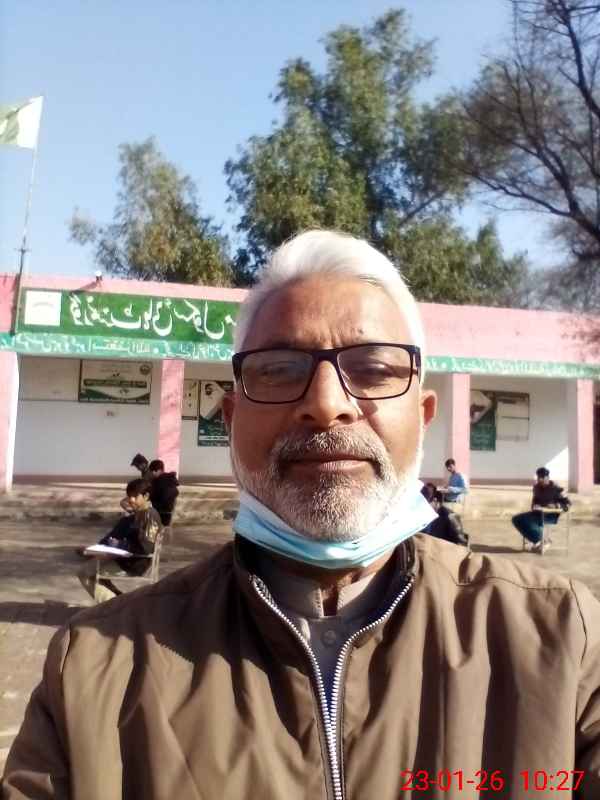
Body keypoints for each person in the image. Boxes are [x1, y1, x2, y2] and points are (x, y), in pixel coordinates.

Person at [4, 230, 600, 799]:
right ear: (232, 421)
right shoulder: (96, 669)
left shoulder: (561, 639)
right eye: (279, 369)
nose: (326, 404)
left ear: (422, 417)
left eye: (373, 369)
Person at [77, 478, 162, 603]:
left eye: (135, 496)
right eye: (129, 496)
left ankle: (113, 605)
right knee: (91, 566)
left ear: (146, 496)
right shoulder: (141, 513)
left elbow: (146, 547)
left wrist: (120, 545)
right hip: (127, 558)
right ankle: (117, 598)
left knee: (84, 572)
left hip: (134, 563)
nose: (131, 500)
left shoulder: (149, 516)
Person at [512, 466, 571, 553]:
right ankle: (538, 541)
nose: (540, 480)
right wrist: (535, 505)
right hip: (537, 513)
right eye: (539, 478)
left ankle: (544, 541)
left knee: (528, 522)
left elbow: (568, 504)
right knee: (516, 519)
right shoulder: (536, 488)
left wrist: (555, 506)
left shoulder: (557, 488)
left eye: (543, 478)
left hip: (550, 515)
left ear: (548, 477)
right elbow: (535, 501)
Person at [147, 458, 179, 525]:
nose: (152, 473)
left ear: (159, 470)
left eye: (154, 471)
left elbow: (164, 497)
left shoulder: (163, 481)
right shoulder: (166, 480)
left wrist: (151, 503)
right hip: (164, 511)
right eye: (151, 471)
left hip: (163, 512)